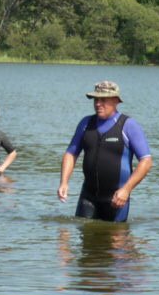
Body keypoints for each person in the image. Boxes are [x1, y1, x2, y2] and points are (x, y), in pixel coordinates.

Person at [57, 80, 152, 222]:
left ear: (115, 101)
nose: (97, 104)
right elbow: (71, 154)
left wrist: (126, 190)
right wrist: (64, 182)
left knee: (116, 241)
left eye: (103, 100)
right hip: (88, 196)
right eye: (95, 99)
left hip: (116, 199)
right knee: (85, 241)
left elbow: (146, 161)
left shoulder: (128, 125)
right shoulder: (85, 124)